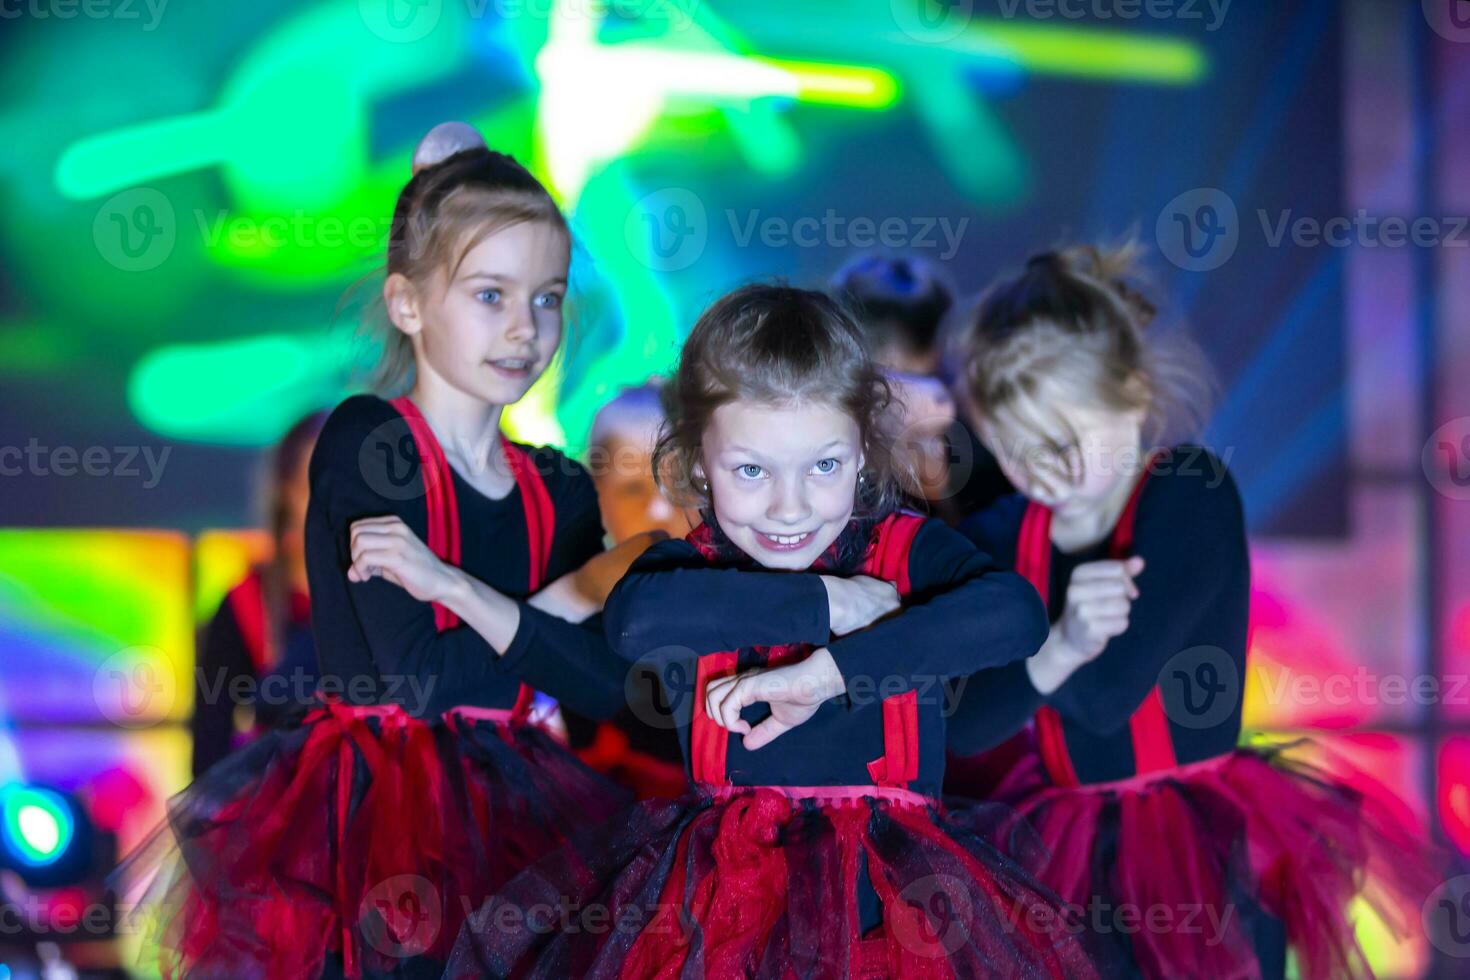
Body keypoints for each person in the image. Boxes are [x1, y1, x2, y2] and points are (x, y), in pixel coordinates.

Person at [114, 123, 649, 979]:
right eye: (490, 295)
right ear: (407, 304)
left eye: (547, 298)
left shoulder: (560, 488)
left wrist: (468, 594)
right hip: (367, 822)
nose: (525, 328)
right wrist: (561, 610)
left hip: (524, 824)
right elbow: (421, 679)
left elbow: (612, 692)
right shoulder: (371, 443)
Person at [448, 284, 1093, 979]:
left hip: (891, 912)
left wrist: (825, 676)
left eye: (823, 466)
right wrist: (824, 604)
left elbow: (1016, 615)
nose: (790, 507)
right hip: (720, 913)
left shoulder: (909, 553)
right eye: (752, 470)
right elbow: (636, 621)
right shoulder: (684, 569)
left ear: (861, 455)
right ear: (700, 464)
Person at [943, 243, 1434, 979]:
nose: (1048, 473)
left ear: (1135, 395)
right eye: (1016, 453)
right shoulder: (1005, 531)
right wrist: (1066, 641)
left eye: (1067, 441)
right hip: (1058, 843)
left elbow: (1110, 699)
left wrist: (1043, 658)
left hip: (1196, 848)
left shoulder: (1190, 493)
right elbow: (967, 725)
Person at [562, 380, 693, 800]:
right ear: (596, 496)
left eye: (681, 487)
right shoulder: (571, 609)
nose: (659, 510)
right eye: (633, 489)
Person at [191, 411, 325, 776]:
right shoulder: (247, 601)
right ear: (287, 491)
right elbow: (210, 735)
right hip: (279, 801)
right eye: (315, 482)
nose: (333, 499)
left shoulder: (391, 593)